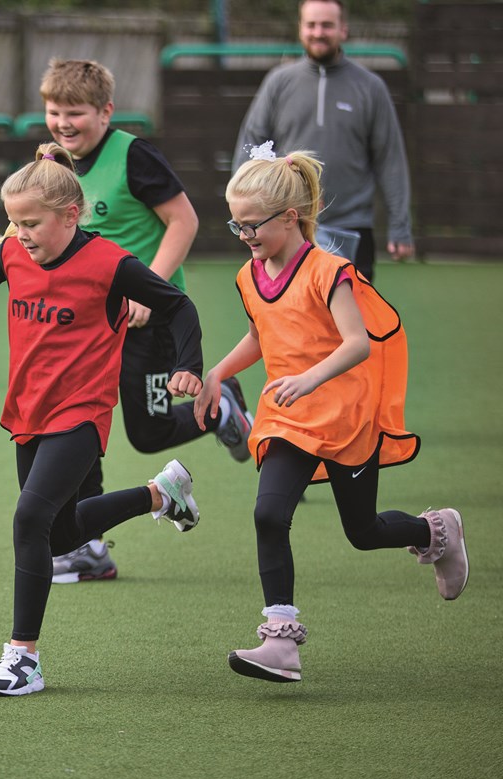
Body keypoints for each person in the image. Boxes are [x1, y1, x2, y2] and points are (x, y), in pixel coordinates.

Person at [0, 143, 206, 696]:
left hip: (82, 413)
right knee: (58, 536)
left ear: (70, 216)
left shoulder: (109, 264)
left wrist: (187, 365)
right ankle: (159, 495)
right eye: (13, 222)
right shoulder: (13, 254)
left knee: (29, 520)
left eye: (31, 223)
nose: (20, 234)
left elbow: (177, 306)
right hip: (28, 410)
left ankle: (22, 658)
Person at [194, 144, 466, 684]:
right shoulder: (250, 275)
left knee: (361, 531)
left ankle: (436, 531)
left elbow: (356, 343)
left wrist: (310, 376)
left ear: (289, 217)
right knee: (269, 514)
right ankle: (280, 640)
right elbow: (260, 333)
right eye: (237, 226)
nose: (245, 237)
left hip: (344, 414)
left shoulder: (330, 270)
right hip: (285, 417)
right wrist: (219, 372)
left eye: (253, 227)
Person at [38, 58, 254, 584]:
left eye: (76, 113)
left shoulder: (135, 157)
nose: (64, 123)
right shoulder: (55, 162)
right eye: (53, 111)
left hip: (148, 323)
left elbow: (185, 221)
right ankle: (87, 548)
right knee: (77, 426)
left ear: (106, 111)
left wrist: (150, 293)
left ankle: (221, 405)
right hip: (87, 326)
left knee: (149, 433)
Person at [233, 0, 414, 282]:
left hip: (352, 229)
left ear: (343, 30)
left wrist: (400, 227)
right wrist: (246, 218)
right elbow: (251, 144)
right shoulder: (278, 82)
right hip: (290, 227)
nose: (319, 32)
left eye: (327, 25)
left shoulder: (370, 87)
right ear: (300, 29)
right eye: (311, 25)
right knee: (292, 320)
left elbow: (390, 160)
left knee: (353, 321)